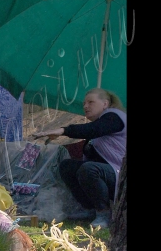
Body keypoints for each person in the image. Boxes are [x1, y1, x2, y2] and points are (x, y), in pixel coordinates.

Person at [31, 88, 126, 229]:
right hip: (108, 174)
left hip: (121, 177)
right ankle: (88, 209)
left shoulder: (115, 117)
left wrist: (63, 130)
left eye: (91, 102)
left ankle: (104, 213)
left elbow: (93, 129)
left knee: (89, 169)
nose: (86, 106)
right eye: (84, 104)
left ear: (105, 103)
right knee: (67, 166)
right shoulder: (100, 123)